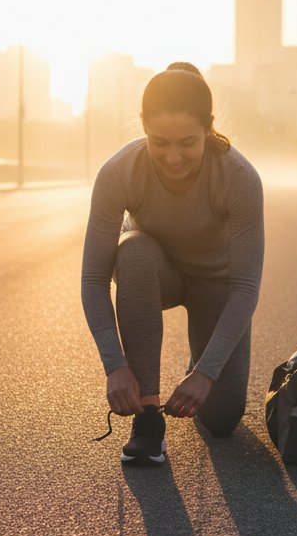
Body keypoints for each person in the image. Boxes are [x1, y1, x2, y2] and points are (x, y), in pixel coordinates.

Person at [81, 62, 265, 465]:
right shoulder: (119, 172)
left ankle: (197, 358)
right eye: (159, 142)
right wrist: (115, 366)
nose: (174, 156)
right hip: (156, 274)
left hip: (217, 285)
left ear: (208, 127)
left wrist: (206, 373)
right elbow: (95, 278)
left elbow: (246, 288)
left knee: (221, 420)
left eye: (187, 142)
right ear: (142, 124)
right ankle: (148, 420)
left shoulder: (238, 177)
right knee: (134, 251)